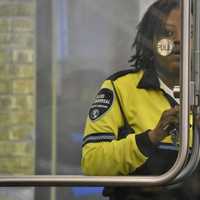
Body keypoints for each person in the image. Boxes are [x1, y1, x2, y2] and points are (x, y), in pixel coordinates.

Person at [81, 0, 195, 199]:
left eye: (189, 33)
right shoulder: (121, 88)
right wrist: (151, 138)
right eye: (168, 33)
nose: (179, 41)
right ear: (150, 41)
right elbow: (93, 164)